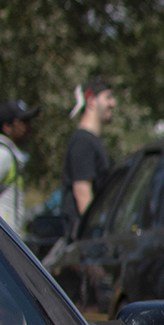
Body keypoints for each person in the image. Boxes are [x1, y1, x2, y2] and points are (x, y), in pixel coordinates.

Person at [60, 76, 116, 240]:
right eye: (108, 97)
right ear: (91, 101)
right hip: (81, 238)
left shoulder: (91, 141)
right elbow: (82, 191)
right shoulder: (82, 142)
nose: (113, 103)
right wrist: (95, 235)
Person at [0, 99, 38, 228]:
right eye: (23, 121)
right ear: (7, 127)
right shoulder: (1, 154)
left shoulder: (9, 155)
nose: (30, 126)